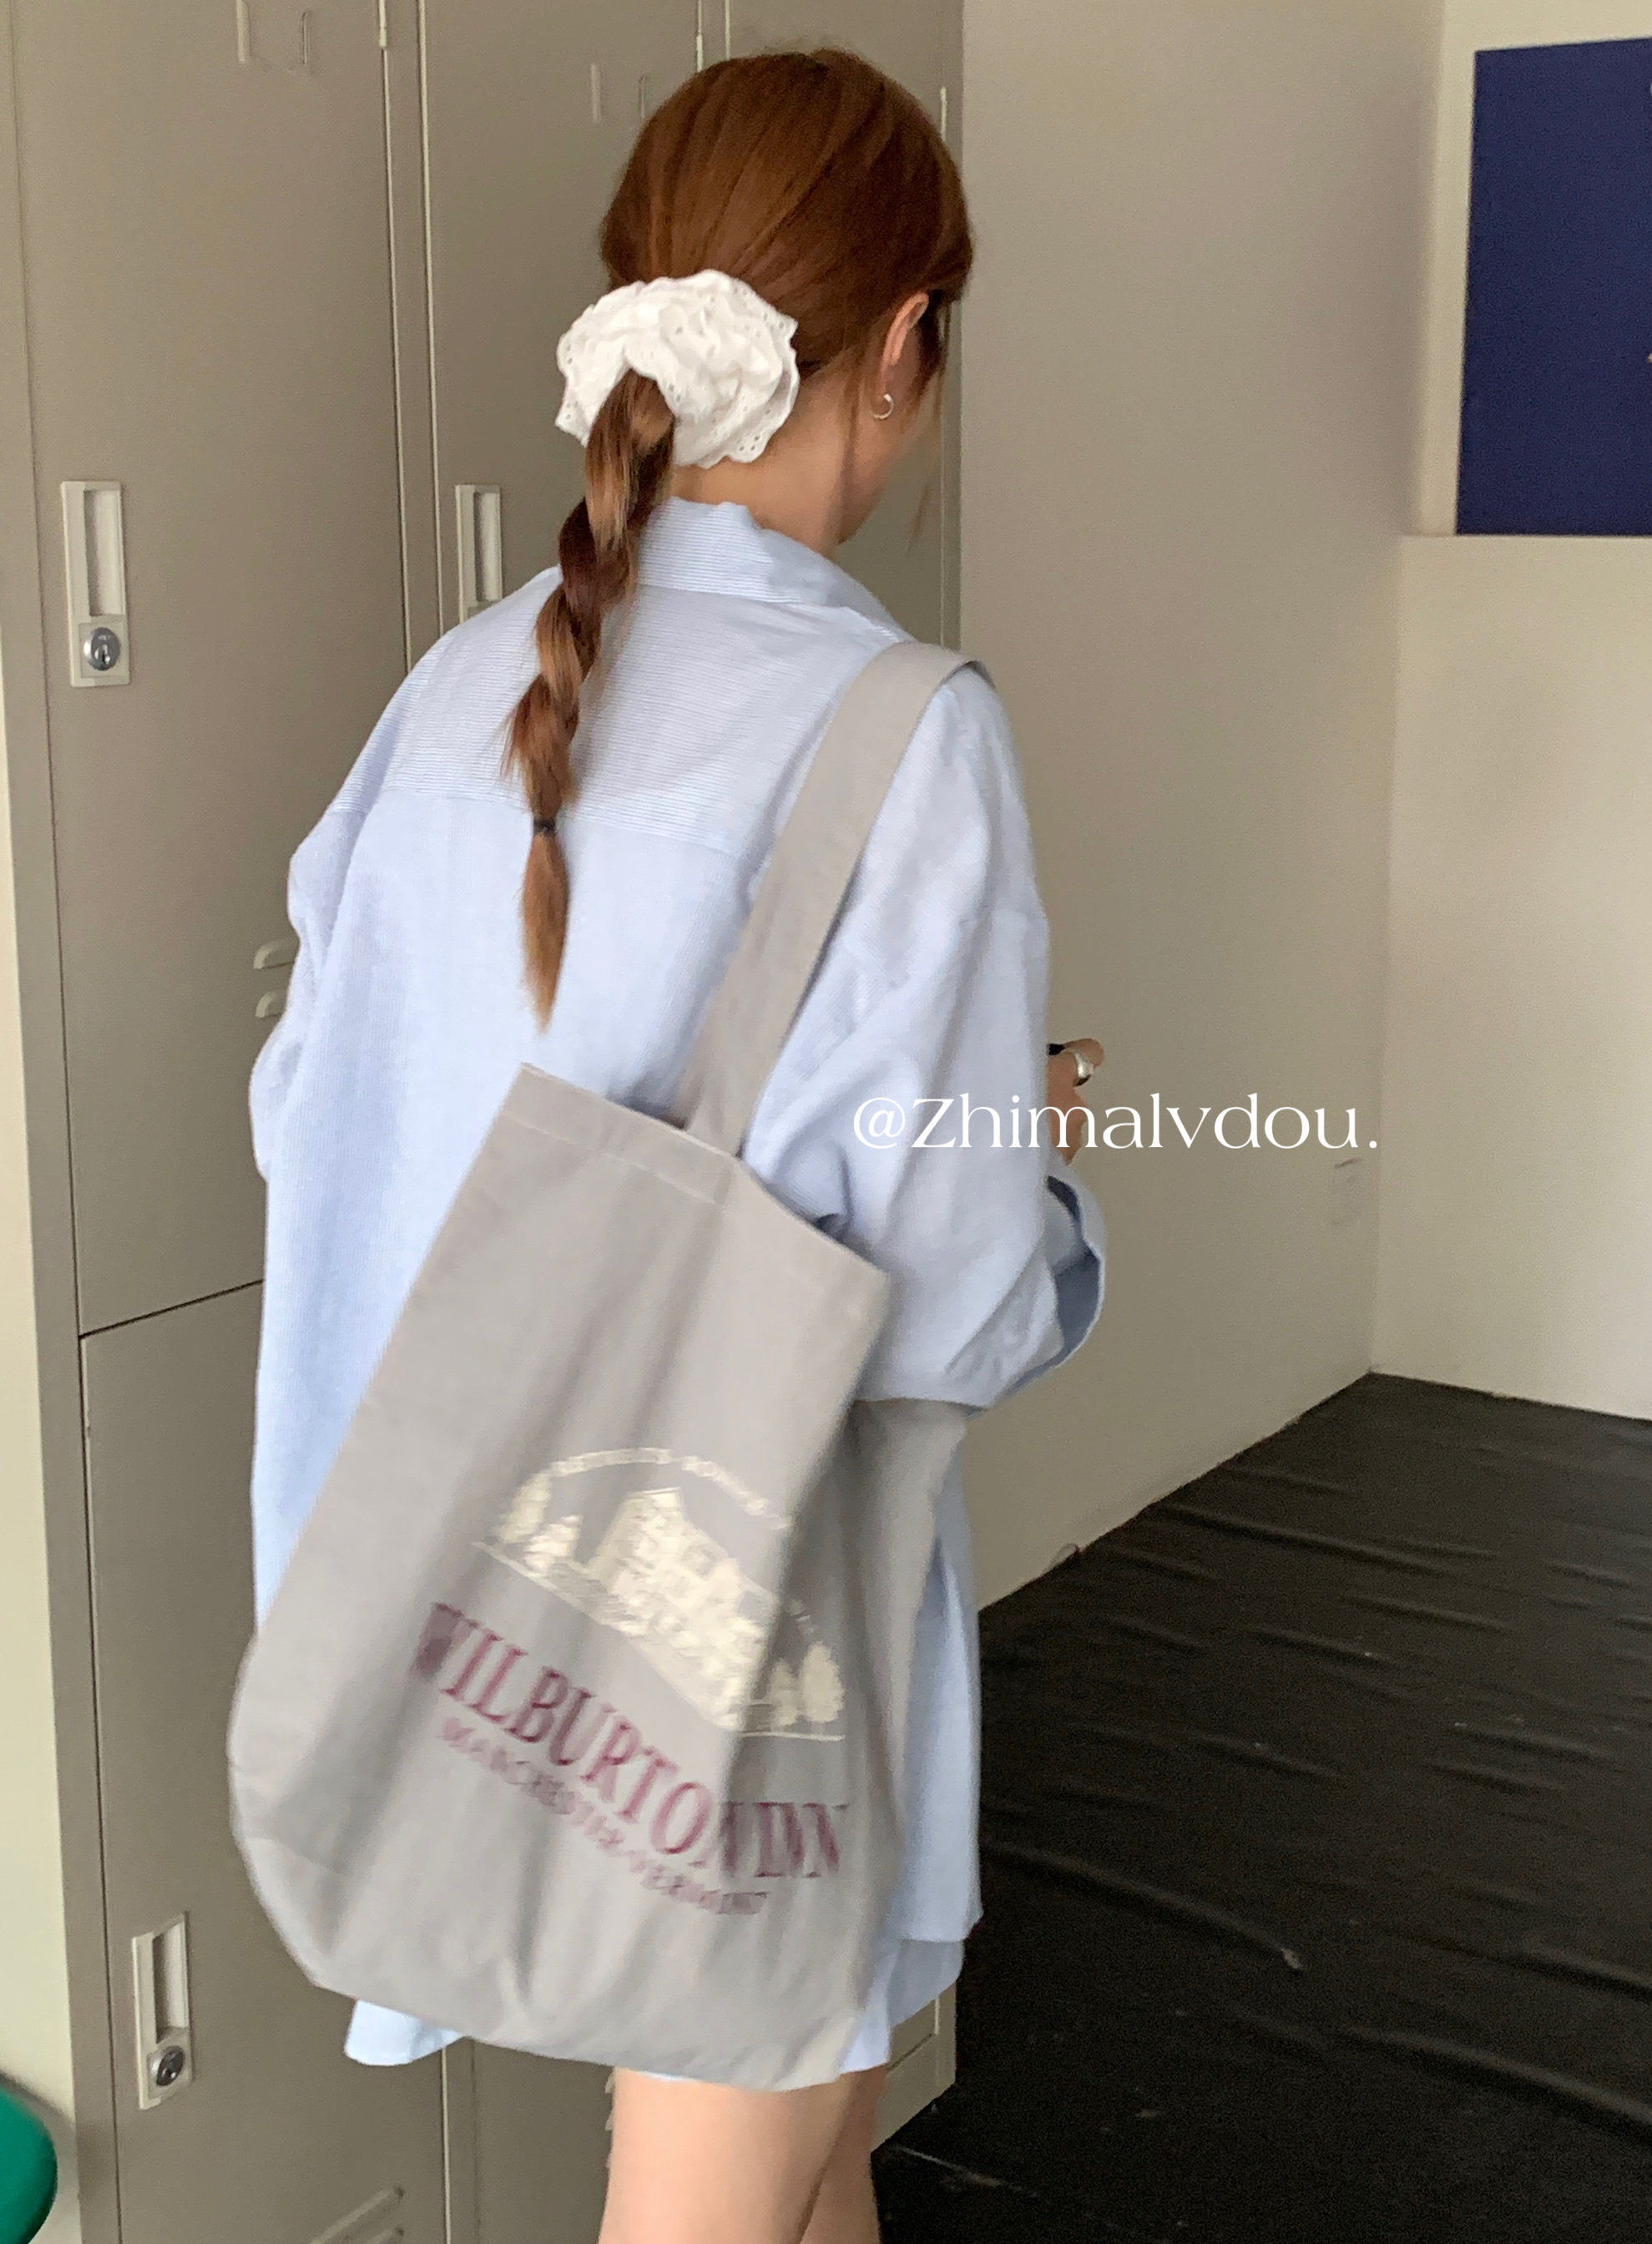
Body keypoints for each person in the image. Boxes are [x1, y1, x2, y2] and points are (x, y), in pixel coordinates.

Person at [248, 47, 1104, 2244]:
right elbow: (951, 1306)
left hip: (420, 1580)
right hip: (711, 1629)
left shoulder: (457, 689)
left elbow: (313, 1117)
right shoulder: (906, 731)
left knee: (812, 2134)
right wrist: (1042, 1173)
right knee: (742, 2138)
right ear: (899, 345)